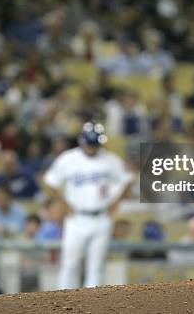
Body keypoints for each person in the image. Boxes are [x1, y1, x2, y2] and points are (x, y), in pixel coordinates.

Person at [43, 122, 133, 289]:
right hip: (76, 217)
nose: (92, 147)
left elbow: (127, 180)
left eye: (95, 144)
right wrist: (64, 205)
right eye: (90, 143)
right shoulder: (68, 159)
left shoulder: (110, 159)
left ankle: (93, 306)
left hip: (102, 217)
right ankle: (64, 303)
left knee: (96, 266)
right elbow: (51, 182)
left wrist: (115, 205)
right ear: (82, 141)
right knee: (70, 264)